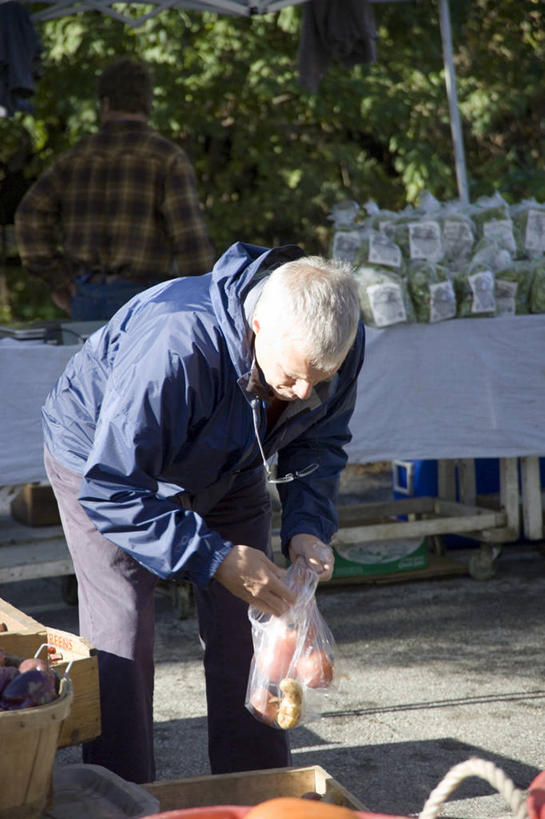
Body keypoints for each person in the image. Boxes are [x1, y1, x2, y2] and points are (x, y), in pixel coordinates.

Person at [42, 240, 365, 784]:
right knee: (122, 631)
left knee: (256, 617)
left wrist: (309, 528)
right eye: (290, 378)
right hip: (104, 465)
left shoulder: (333, 340)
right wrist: (212, 556)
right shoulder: (175, 347)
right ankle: (122, 792)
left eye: (321, 377)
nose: (306, 389)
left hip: (233, 460)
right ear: (258, 326)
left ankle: (259, 785)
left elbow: (320, 441)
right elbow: (112, 486)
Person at [15, 57, 213, 321]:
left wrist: (56, 278)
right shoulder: (166, 157)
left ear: (105, 104)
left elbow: (28, 214)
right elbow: (190, 241)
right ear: (147, 103)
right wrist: (203, 299)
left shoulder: (74, 159)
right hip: (147, 297)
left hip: (86, 292)